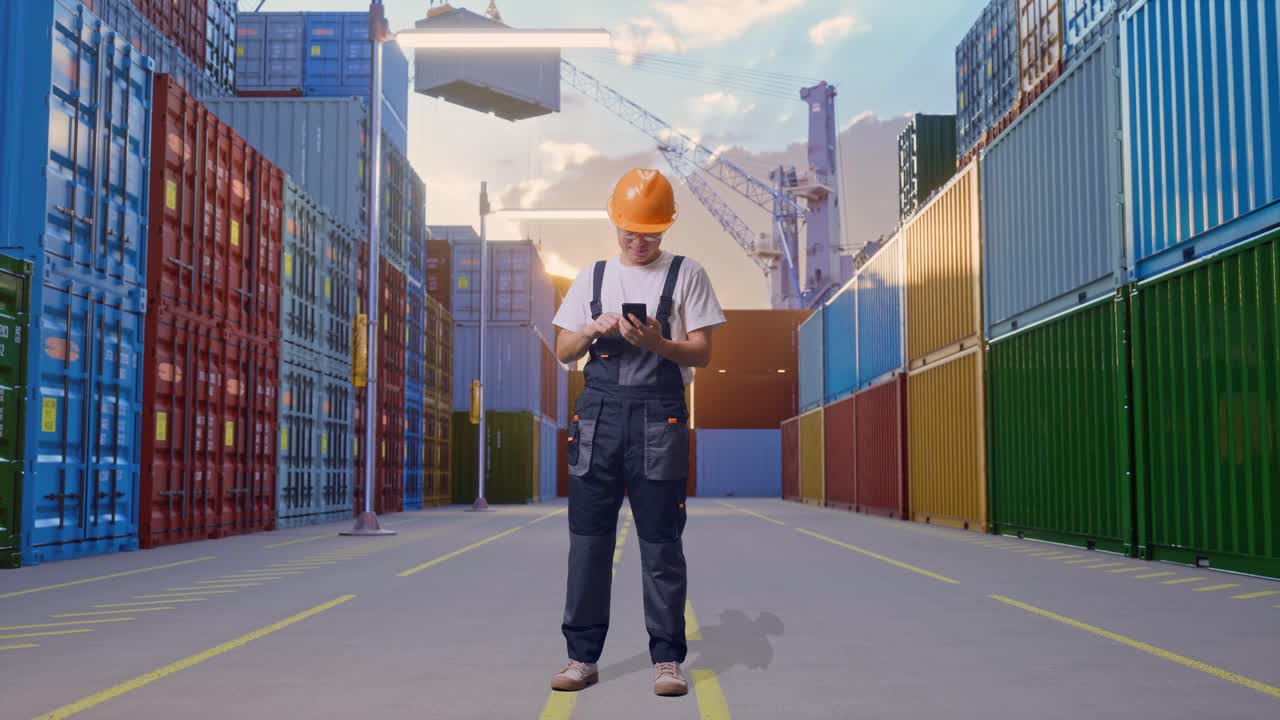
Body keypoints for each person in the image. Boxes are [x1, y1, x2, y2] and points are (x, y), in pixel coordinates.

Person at [548, 168, 725, 697]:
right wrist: (590, 329)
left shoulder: (688, 274)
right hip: (597, 422)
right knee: (588, 545)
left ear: (665, 227)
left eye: (649, 232)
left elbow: (703, 353)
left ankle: (667, 660)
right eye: (630, 231)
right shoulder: (592, 276)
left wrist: (658, 343)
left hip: (658, 421)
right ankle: (582, 658)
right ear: (616, 223)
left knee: (661, 545)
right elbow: (562, 350)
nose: (638, 241)